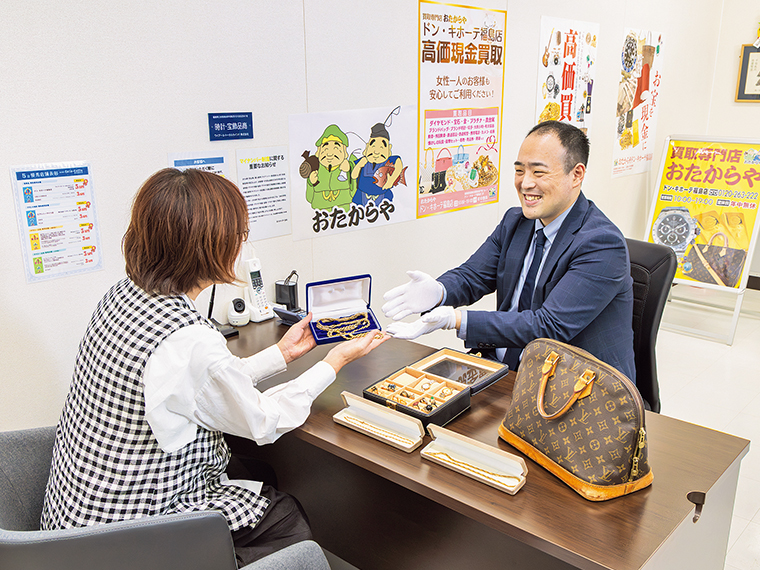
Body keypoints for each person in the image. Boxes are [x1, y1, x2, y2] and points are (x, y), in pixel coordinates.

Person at [41, 168, 388, 565]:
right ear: (212, 247)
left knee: (254, 471)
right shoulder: (187, 339)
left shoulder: (123, 295)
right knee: (285, 517)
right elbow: (264, 420)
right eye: (240, 234)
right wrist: (334, 361)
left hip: (73, 522)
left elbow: (199, 385)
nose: (242, 244)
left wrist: (283, 353)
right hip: (129, 537)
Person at [382, 120, 635, 382]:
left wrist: (455, 319)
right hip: (501, 367)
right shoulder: (516, 222)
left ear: (577, 175)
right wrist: (439, 291)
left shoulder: (602, 243)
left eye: (539, 172)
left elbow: (548, 326)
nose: (525, 183)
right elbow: (473, 276)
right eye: (519, 171)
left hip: (572, 385)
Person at [305, 124, 357, 212]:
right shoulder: (316, 168)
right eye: (325, 149)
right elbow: (309, 197)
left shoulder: (346, 167)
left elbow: (354, 189)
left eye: (336, 148)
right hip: (320, 210)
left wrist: (349, 170)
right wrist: (311, 183)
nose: (330, 154)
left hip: (343, 210)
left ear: (345, 152)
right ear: (318, 152)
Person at [351, 122, 403, 206]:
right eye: (373, 146)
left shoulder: (388, 161)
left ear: (389, 149)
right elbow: (353, 175)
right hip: (361, 196)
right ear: (367, 147)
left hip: (383, 196)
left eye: (381, 147)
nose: (376, 152)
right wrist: (359, 165)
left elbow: (398, 163)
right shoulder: (363, 161)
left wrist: (391, 180)